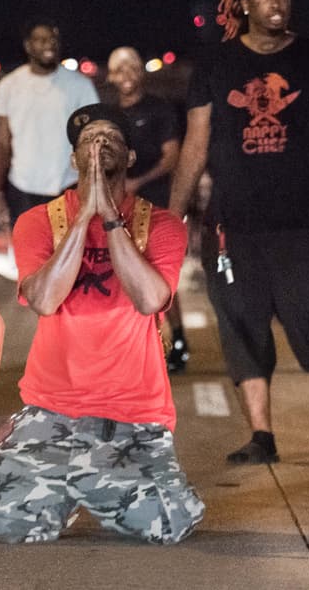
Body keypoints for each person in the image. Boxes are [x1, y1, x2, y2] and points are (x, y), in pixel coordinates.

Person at [0, 104, 204, 545]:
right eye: (89, 139)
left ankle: (75, 481)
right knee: (1, 518)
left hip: (135, 412)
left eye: (111, 137)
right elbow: (45, 299)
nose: (100, 145)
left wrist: (110, 217)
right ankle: (76, 477)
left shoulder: (163, 224)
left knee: (169, 524)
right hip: (53, 409)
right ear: (74, 160)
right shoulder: (37, 222)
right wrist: (83, 217)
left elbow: (151, 300)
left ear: (130, 157)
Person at [168, 0, 309, 464]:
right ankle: (262, 436)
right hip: (234, 226)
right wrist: (173, 216)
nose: (278, 1)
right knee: (241, 323)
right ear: (245, 5)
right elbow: (195, 146)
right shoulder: (214, 65)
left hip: (306, 222)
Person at [106, 45, 192, 373]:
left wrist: (138, 182)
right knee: (123, 279)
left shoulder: (159, 109)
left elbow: (172, 156)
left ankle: (179, 342)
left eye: (132, 67)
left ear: (140, 72)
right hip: (120, 209)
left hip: (156, 203)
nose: (126, 74)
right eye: (119, 69)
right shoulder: (110, 116)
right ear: (112, 76)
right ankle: (137, 348)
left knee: (161, 277)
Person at [0, 17, 99, 227]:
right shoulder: (9, 86)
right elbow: (2, 143)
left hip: (69, 185)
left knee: (71, 256)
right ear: (28, 46)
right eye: (40, 39)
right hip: (23, 187)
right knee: (30, 258)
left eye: (52, 39)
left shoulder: (80, 85)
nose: (48, 44)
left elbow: (93, 137)